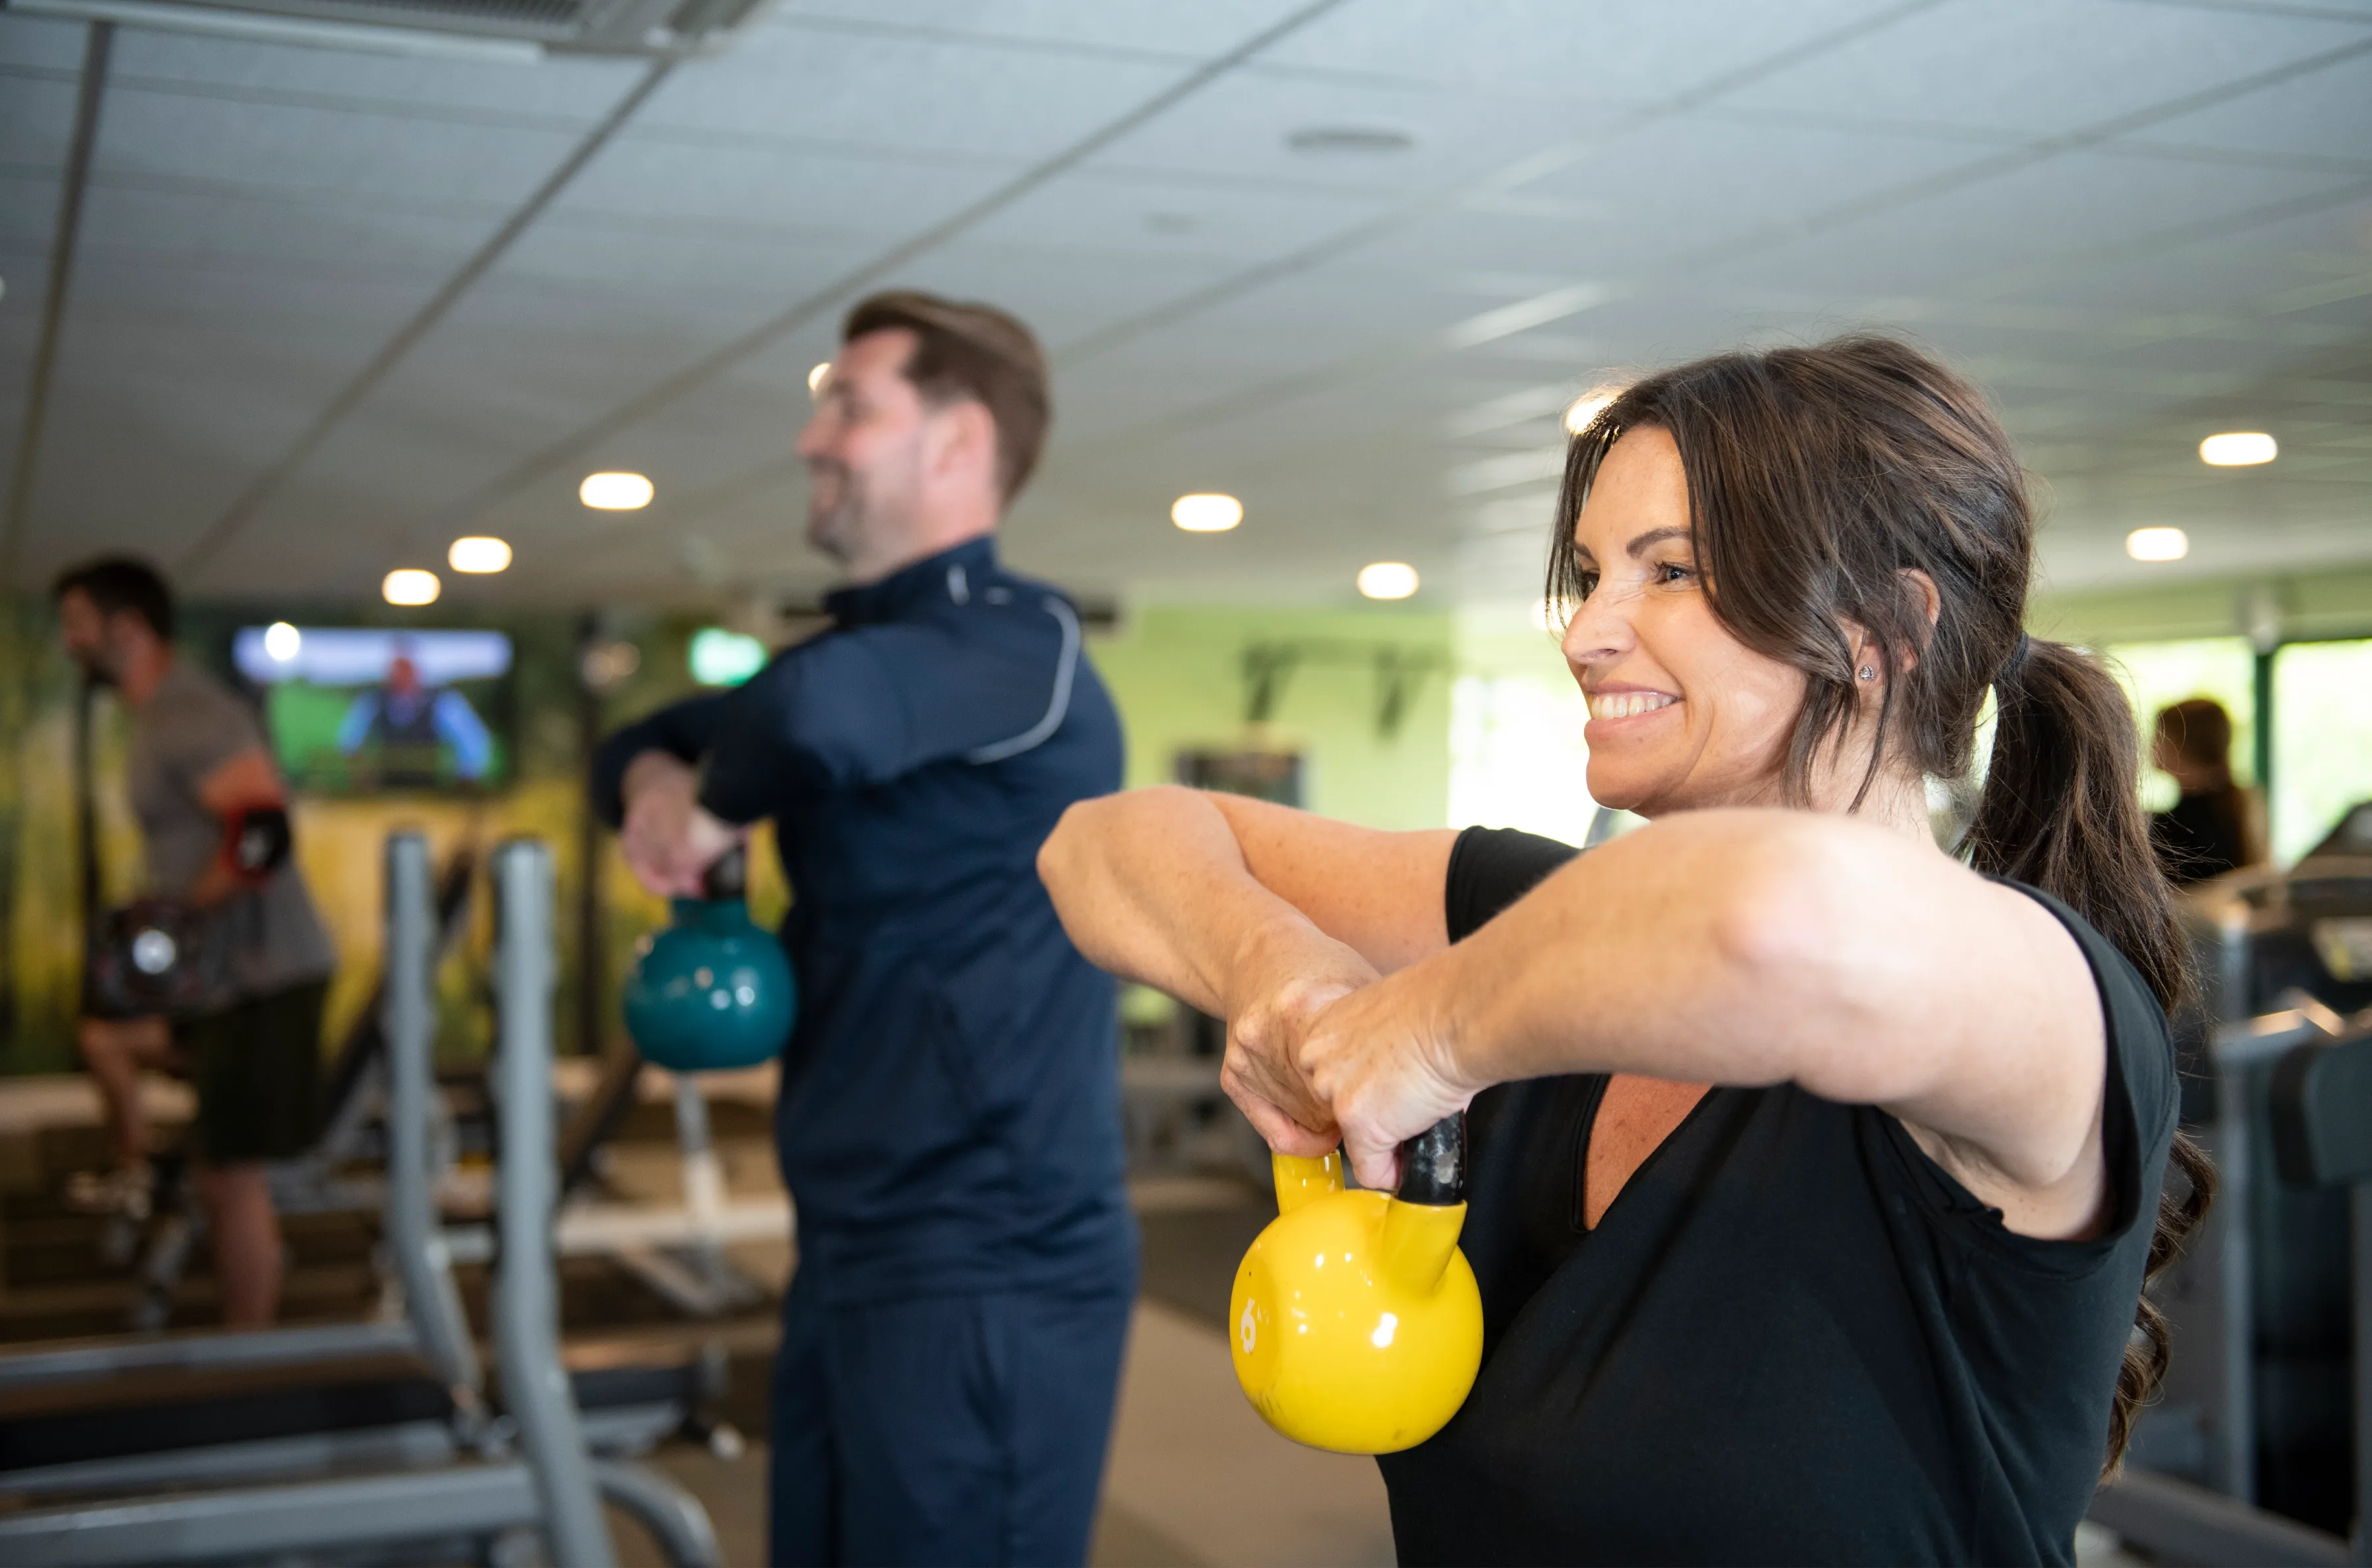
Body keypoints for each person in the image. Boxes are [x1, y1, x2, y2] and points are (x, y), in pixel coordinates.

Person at [1039, 337, 2213, 1566]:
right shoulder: (1526, 919)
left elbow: (1776, 917)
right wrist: (1287, 982)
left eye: (1672, 572)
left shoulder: (2046, 1014)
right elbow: (1102, 845)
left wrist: (1428, 1032)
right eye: (1593, 573)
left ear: (1884, 632)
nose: (1587, 632)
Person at [590, 291, 1135, 1567]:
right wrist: (660, 791)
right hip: (849, 1240)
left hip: (986, 1260)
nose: (810, 439)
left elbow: (812, 720)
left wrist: (712, 808)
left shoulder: (1020, 649)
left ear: (954, 445)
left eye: (849, 404)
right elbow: (640, 738)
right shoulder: (864, 646)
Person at [53, 557, 339, 1328]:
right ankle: (138, 1168)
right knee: (108, 1036)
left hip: (263, 973)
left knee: (228, 1175)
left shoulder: (188, 712)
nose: (69, 640)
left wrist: (176, 912)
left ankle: (248, 1354)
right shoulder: (157, 716)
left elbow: (264, 833)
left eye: (79, 622)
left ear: (129, 626)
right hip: (220, 981)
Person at [335, 642, 494, 787]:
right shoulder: (374, 701)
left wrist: (464, 781)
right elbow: (349, 741)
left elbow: (473, 743)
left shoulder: (442, 702)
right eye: (396, 668)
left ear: (417, 670)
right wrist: (362, 773)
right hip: (383, 791)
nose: (399, 674)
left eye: (405, 667)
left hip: (430, 791)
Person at [2149, 696, 2263, 886]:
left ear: (2182, 744)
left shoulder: (2181, 825)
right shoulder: (2234, 804)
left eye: (2160, 735)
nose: (2152, 744)